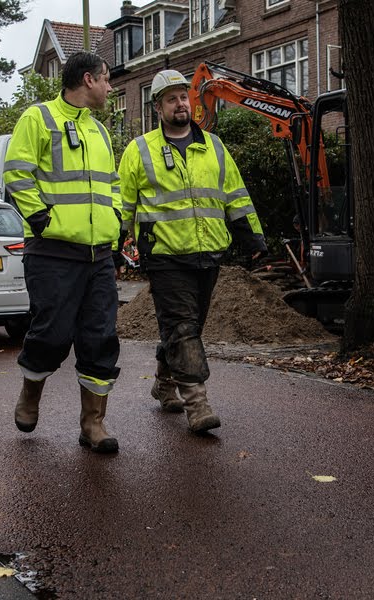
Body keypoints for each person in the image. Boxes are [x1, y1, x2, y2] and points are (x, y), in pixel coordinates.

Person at [118, 69, 267, 433]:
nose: (180, 103)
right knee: (183, 327)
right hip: (165, 256)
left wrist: (255, 240)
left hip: (210, 252)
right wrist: (115, 247)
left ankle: (164, 383)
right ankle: (197, 404)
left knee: (188, 326)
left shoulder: (214, 146)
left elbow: (236, 196)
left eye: (184, 96)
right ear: (158, 107)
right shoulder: (139, 150)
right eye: (171, 99)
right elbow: (122, 206)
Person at [5, 52, 122, 453]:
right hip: (52, 252)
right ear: (88, 79)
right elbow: (16, 172)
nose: (110, 87)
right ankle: (30, 393)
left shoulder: (100, 132)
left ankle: (93, 423)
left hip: (99, 255)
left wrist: (116, 219)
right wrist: (40, 217)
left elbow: (113, 183)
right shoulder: (38, 118)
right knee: (51, 336)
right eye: (107, 79)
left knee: (101, 338)